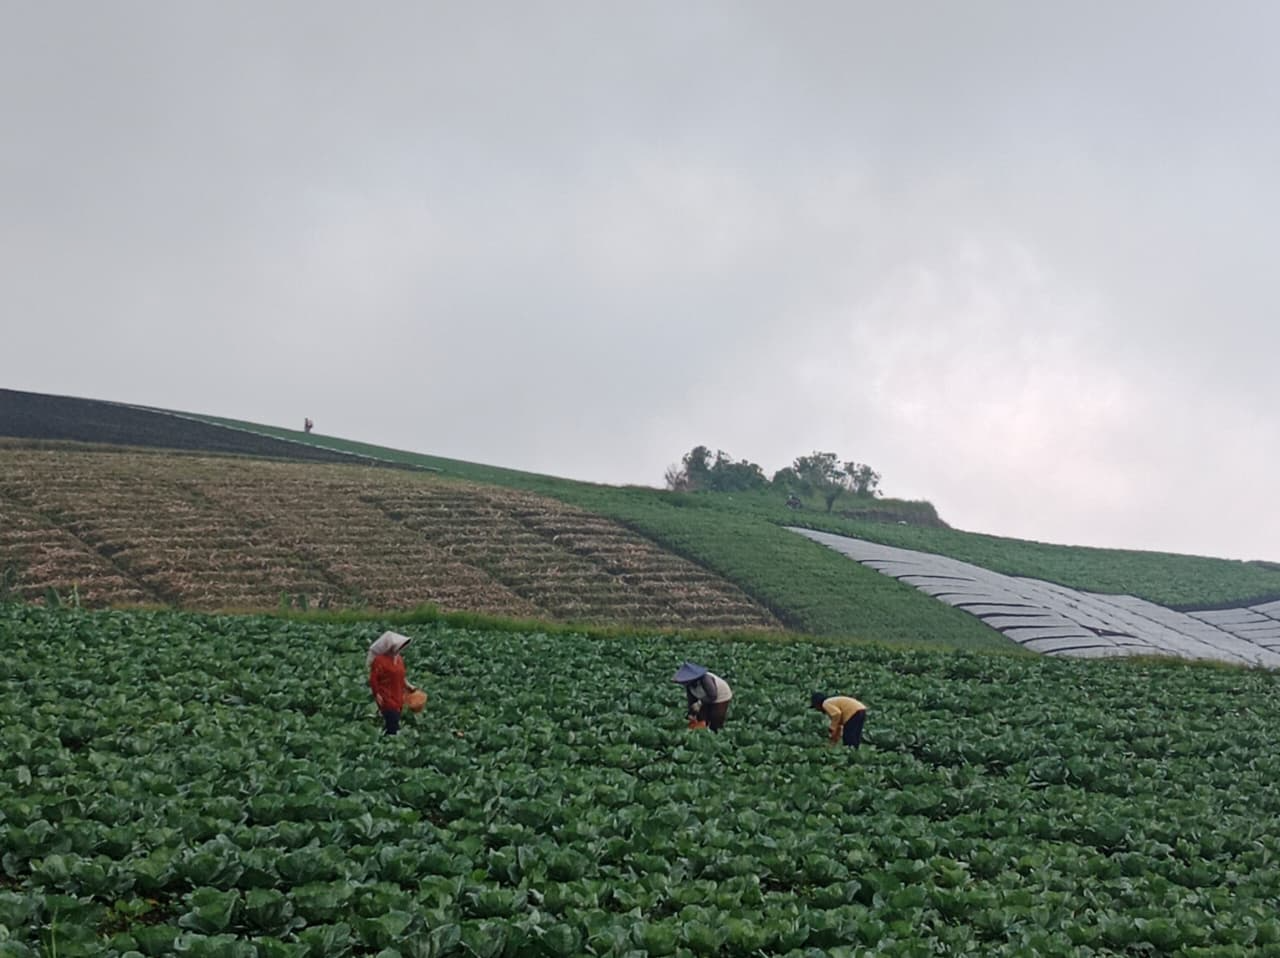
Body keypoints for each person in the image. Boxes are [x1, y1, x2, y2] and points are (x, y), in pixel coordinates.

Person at [367, 631, 418, 735]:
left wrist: (409, 686)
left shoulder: (399, 659)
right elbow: (373, 679)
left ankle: (385, 737)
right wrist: (377, 694)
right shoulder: (380, 660)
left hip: (398, 694)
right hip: (386, 695)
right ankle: (390, 739)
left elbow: (401, 676)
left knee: (394, 719)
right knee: (393, 720)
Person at [672, 662, 733, 731]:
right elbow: (691, 700)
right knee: (702, 715)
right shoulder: (689, 685)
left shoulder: (705, 680)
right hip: (705, 697)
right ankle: (703, 729)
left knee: (715, 716)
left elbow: (713, 696)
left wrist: (699, 703)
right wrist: (691, 713)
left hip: (720, 696)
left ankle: (715, 730)